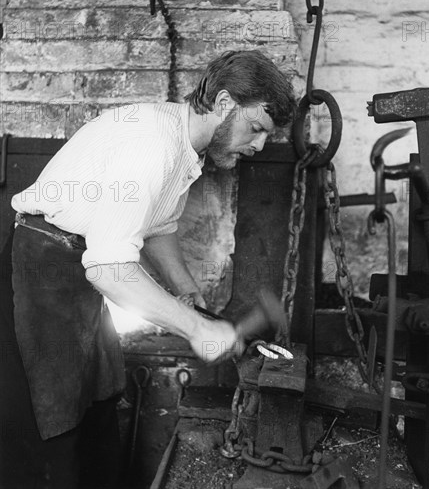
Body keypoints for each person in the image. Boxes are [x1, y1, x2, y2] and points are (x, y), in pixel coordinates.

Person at [0, 49, 296, 488]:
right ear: (224, 104)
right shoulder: (152, 147)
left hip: (78, 274)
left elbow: (158, 227)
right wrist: (196, 330)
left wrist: (186, 290)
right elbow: (108, 268)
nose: (257, 146)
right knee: (49, 426)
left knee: (98, 404)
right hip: (43, 272)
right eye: (255, 129)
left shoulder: (182, 146)